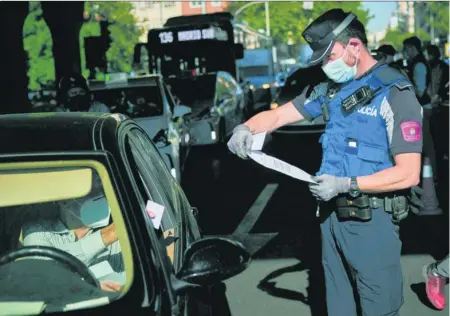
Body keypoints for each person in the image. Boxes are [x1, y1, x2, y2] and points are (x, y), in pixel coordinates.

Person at [227, 9, 423, 316]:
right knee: (338, 308)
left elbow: (409, 173)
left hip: (372, 224)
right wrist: (246, 128)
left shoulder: (395, 93)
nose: (325, 65)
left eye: (330, 56)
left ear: (355, 46)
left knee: (379, 309)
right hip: (331, 219)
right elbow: (279, 115)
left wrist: (347, 184)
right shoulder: (331, 92)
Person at [22, 175, 124, 292]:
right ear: (63, 201)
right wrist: (105, 237)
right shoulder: (37, 231)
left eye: (100, 189)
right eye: (90, 191)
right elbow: (45, 273)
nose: (100, 196)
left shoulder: (118, 233)